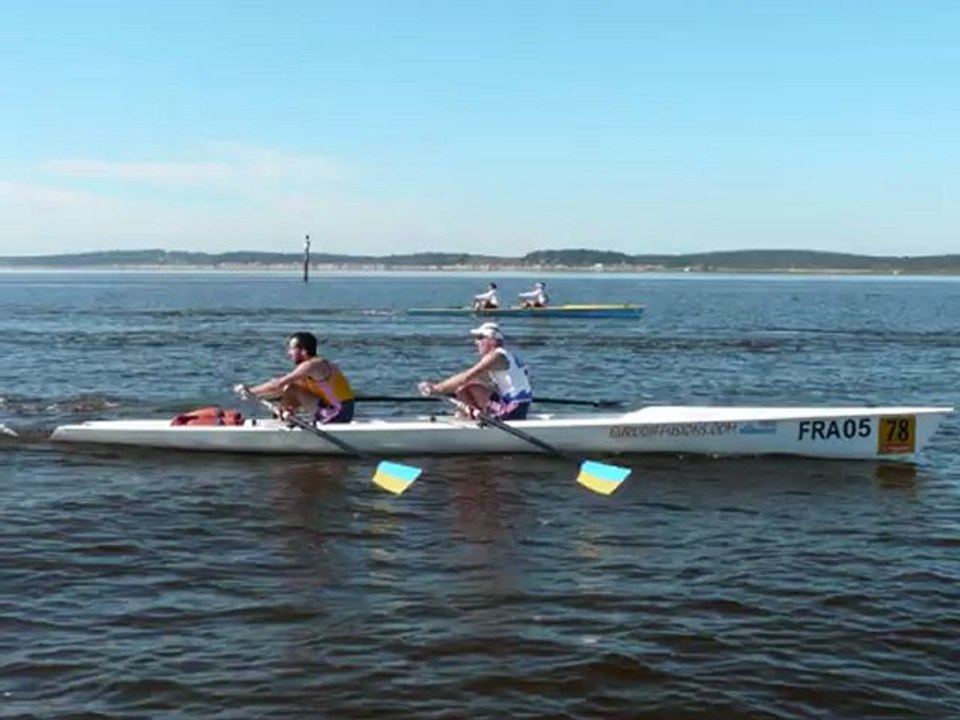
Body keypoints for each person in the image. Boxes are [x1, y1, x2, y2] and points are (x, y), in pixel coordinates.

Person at [418, 322, 533, 420]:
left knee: (465, 386)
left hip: (513, 409)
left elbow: (468, 376)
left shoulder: (496, 356)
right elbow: (475, 380)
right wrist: (450, 391)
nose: (476, 342)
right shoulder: (506, 356)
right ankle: (466, 415)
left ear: (491, 340)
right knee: (467, 387)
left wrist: (437, 389)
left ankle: (469, 419)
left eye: (480, 338)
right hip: (517, 405)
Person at [235, 331, 355, 423]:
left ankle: (284, 416)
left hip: (338, 414)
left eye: (292, 349)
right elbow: (279, 387)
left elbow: (279, 383)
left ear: (303, 351)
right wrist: (255, 395)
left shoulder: (312, 366)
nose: (289, 353)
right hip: (333, 408)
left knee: (290, 387)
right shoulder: (307, 369)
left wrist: (250, 391)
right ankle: (285, 414)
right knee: (291, 388)